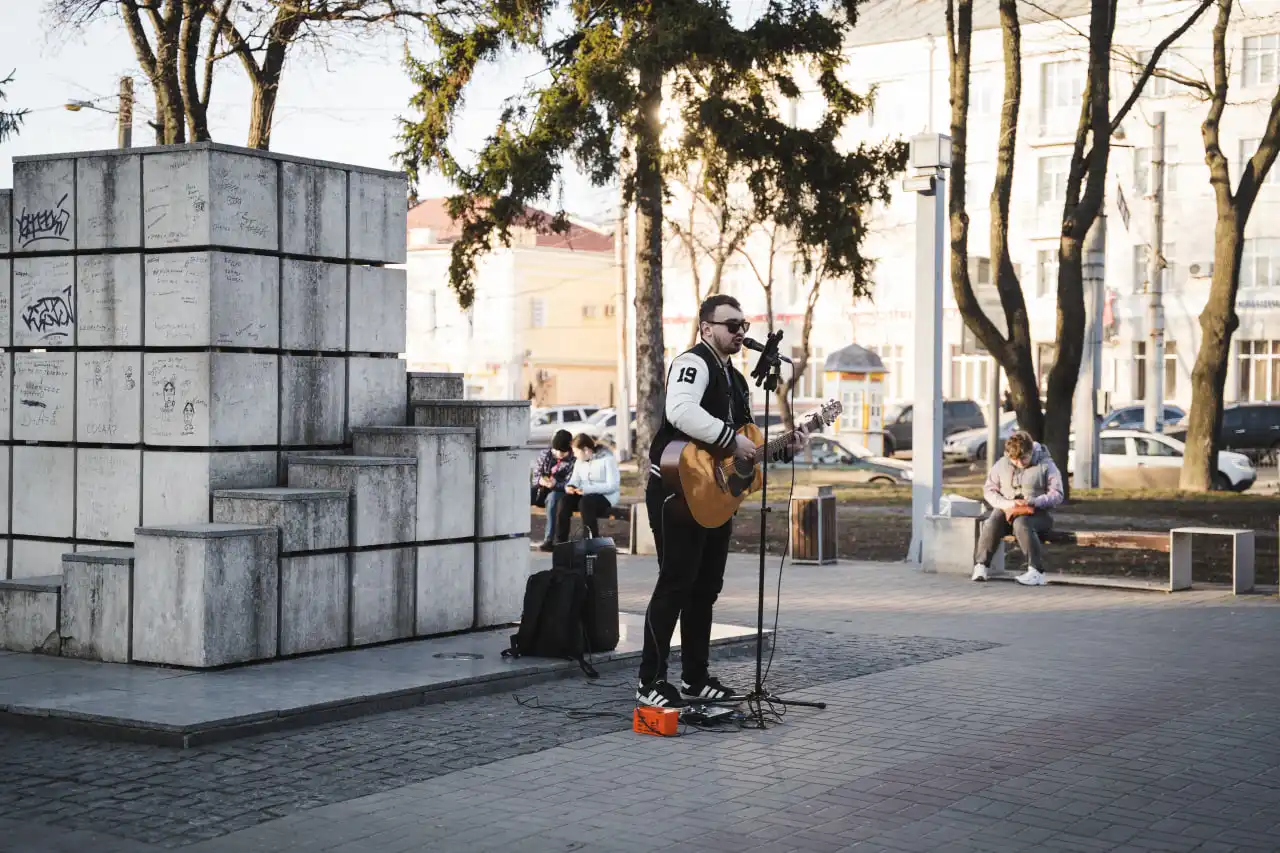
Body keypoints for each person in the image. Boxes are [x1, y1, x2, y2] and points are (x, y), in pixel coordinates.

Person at [636, 294, 806, 709]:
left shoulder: (737, 380)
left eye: (743, 326)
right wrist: (731, 439)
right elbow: (680, 412)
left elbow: (747, 446)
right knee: (675, 583)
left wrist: (783, 447)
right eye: (732, 325)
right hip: (678, 490)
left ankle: (695, 677)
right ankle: (649, 682)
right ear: (706, 327)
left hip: (713, 496)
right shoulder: (693, 363)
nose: (740, 333)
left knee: (705, 588)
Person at [972, 430, 1064, 586]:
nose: (1020, 463)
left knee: (1021, 523)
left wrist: (1035, 501)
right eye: (1015, 461)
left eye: (1024, 458)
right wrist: (1006, 504)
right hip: (1009, 510)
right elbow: (989, 489)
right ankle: (981, 565)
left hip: (1037, 514)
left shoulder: (1046, 464)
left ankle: (1036, 571)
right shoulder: (1002, 464)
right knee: (992, 520)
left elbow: (1057, 494)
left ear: (1031, 451)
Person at [554, 433, 620, 542]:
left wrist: (587, 489)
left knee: (585, 503)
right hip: (584, 493)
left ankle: (590, 540)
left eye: (576, 451)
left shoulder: (608, 460)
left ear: (585, 449)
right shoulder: (579, 462)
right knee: (564, 501)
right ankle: (561, 542)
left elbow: (612, 486)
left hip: (606, 496)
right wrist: (570, 486)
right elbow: (575, 480)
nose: (574, 455)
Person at [531, 429, 575, 552]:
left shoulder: (573, 460)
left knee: (552, 499)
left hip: (559, 492)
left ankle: (549, 539)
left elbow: (570, 482)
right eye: (556, 450)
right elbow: (535, 476)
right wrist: (541, 481)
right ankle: (513, 534)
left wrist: (556, 484)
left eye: (562, 451)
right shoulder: (545, 455)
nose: (559, 454)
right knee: (523, 495)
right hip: (541, 489)